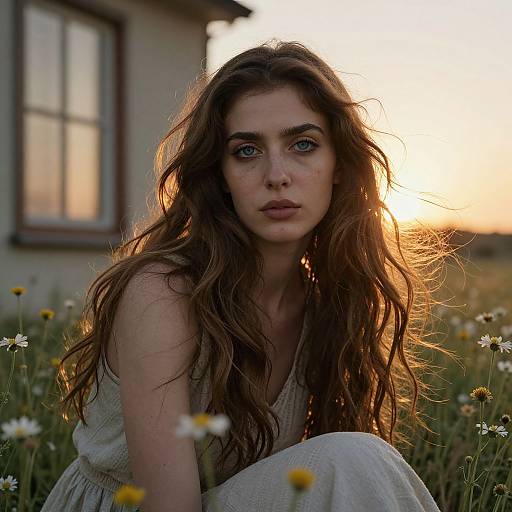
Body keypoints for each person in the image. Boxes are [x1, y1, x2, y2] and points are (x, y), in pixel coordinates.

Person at [41, 40, 451, 511]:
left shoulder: (326, 307)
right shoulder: (163, 293)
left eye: (303, 144)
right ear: (220, 174)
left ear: (339, 165)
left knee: (355, 458)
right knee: (354, 459)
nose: (277, 174)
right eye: (247, 150)